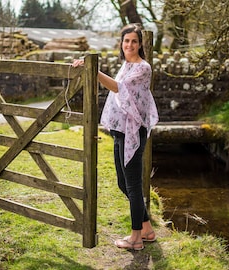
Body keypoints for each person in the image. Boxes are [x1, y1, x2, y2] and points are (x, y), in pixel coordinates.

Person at [73, 23, 159, 251]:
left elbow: (119, 88)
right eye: (126, 41)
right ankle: (147, 229)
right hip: (120, 130)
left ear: (140, 45)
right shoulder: (126, 65)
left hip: (134, 132)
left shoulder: (143, 68)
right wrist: (88, 67)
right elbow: (119, 89)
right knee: (123, 183)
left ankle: (136, 238)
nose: (129, 45)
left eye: (134, 41)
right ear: (121, 44)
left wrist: (92, 69)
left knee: (132, 185)